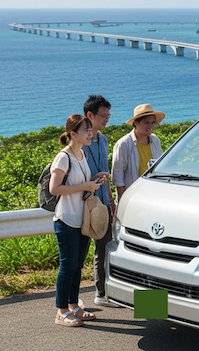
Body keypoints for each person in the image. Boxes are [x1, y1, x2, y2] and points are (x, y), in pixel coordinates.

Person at [50, 114, 109, 326]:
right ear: (73, 134)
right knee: (67, 266)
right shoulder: (63, 157)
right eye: (86, 130)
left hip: (82, 220)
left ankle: (74, 306)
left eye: (90, 130)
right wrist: (85, 186)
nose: (90, 133)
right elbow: (54, 188)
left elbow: (80, 182)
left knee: (77, 265)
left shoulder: (82, 154)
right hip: (66, 220)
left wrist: (94, 179)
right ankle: (61, 310)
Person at [82, 95, 118, 308]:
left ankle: (102, 293)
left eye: (108, 115)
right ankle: (96, 295)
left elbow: (106, 173)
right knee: (87, 252)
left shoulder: (103, 140)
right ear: (90, 115)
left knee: (104, 248)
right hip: (85, 203)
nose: (107, 120)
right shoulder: (81, 143)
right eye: (103, 116)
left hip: (103, 203)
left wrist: (111, 198)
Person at [112, 104, 164, 200]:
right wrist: (123, 203)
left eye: (153, 122)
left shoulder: (155, 140)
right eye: (146, 122)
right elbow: (118, 178)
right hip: (133, 198)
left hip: (153, 195)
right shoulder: (123, 144)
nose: (151, 126)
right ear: (136, 123)